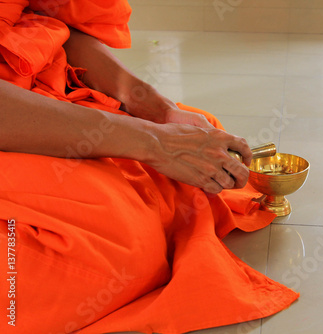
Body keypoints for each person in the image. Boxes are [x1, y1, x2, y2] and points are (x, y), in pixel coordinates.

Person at [0, 1, 298, 333]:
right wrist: (156, 143)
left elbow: (49, 24)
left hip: (31, 95)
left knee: (196, 144)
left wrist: (157, 110)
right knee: (121, 249)